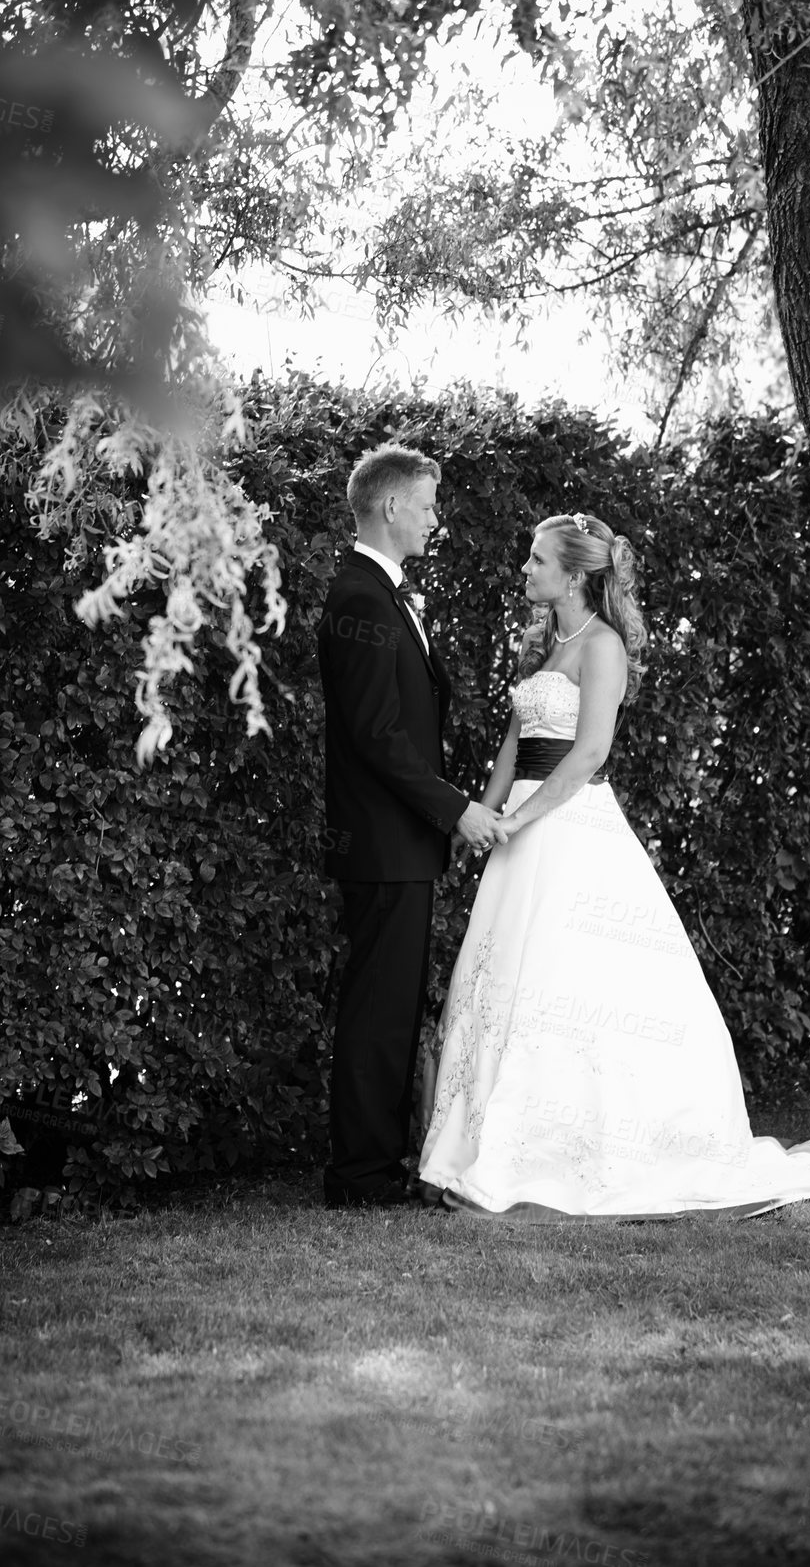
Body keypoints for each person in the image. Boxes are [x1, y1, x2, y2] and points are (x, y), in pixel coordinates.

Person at [418, 510, 810, 1220]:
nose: (525, 571)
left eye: (536, 561)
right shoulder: (545, 640)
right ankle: (477, 1151)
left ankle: (563, 1157)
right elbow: (517, 739)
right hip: (522, 834)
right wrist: (485, 812)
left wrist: (519, 820)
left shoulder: (602, 647)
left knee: (567, 984)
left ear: (572, 575)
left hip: (570, 827)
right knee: (502, 981)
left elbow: (590, 752)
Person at [318, 444, 506, 1209]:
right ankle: (361, 1177)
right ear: (392, 507)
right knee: (378, 1011)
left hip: (400, 843)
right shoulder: (361, 599)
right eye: (427, 505)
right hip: (385, 841)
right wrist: (454, 806)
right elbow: (376, 734)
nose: (436, 519)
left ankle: (378, 1165)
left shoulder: (382, 594)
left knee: (391, 1007)